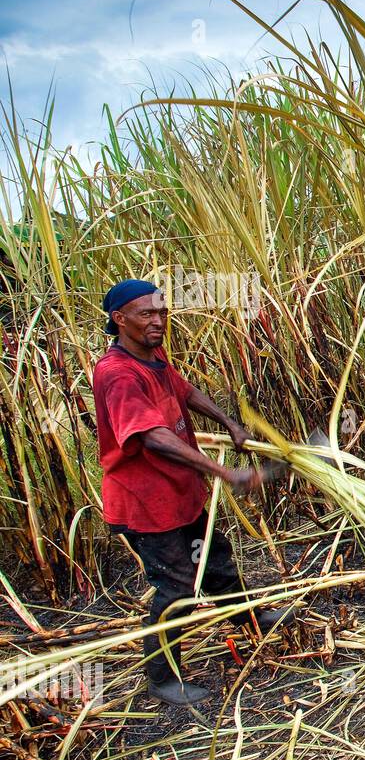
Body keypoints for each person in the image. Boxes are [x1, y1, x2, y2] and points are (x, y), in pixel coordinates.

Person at [93, 279, 291, 706]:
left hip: (181, 495)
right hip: (147, 504)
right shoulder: (117, 374)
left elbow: (184, 391)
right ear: (119, 318)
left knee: (215, 559)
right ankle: (164, 678)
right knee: (177, 586)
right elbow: (154, 439)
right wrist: (224, 472)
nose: (158, 321)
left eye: (162, 312)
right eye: (147, 313)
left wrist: (230, 423)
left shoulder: (151, 352)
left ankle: (251, 618)